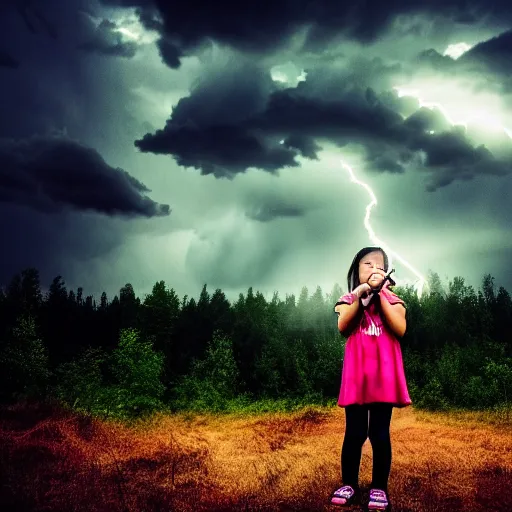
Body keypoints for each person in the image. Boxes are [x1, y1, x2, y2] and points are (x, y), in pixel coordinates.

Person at [330, 246, 411, 511]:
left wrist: (381, 295)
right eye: (368, 265)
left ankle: (379, 488)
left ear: (387, 273)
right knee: (354, 432)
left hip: (383, 378)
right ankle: (349, 483)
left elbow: (399, 329)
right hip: (357, 376)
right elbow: (344, 326)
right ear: (356, 272)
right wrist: (361, 296)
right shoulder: (348, 299)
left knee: (379, 433)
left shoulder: (394, 300)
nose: (374, 269)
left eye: (380, 266)